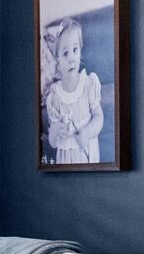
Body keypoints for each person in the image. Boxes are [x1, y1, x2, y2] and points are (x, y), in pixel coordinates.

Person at [41, 16, 102, 164]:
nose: (71, 58)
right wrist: (55, 132)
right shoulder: (54, 97)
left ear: (80, 52)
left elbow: (99, 117)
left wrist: (87, 132)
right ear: (58, 61)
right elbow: (52, 142)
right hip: (66, 160)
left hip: (87, 154)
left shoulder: (88, 84)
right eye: (65, 53)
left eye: (75, 50)